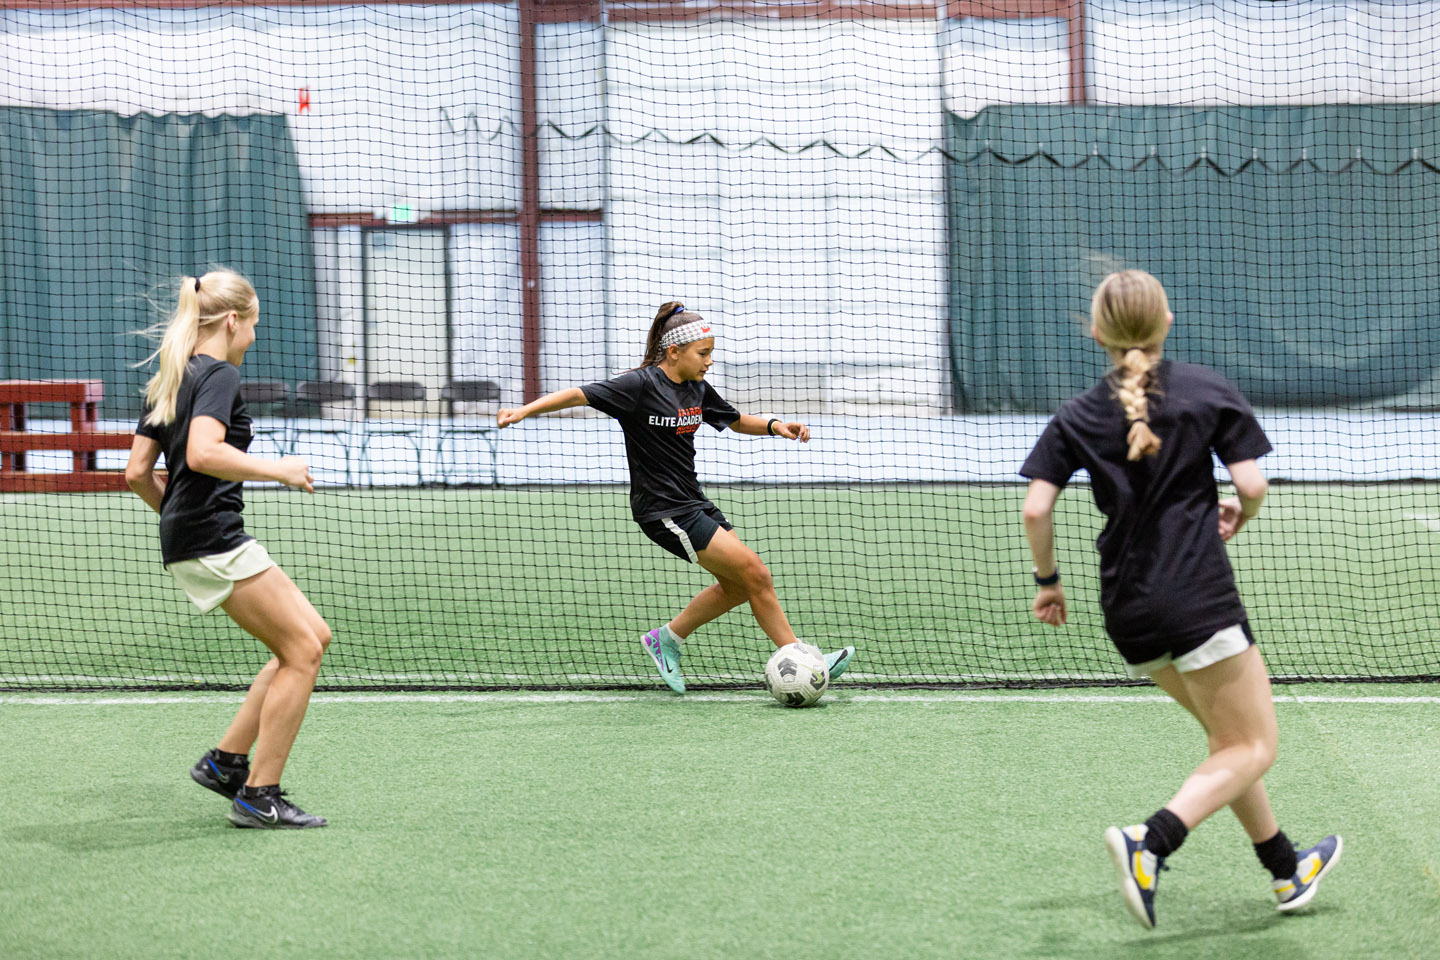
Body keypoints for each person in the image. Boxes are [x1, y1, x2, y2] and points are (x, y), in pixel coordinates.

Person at [1018, 269, 1340, 928]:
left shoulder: (1077, 413)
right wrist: (1236, 517)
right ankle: (1152, 842)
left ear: (1097, 332)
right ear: (1166, 322)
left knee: (1228, 742)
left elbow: (1034, 509)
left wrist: (1048, 583)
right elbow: (1252, 485)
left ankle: (1285, 870)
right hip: (1198, 598)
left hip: (1127, 611)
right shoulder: (1206, 390)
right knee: (1254, 748)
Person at [497, 301, 854, 692]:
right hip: (662, 510)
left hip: (693, 501)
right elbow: (579, 395)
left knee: (740, 585)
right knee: (756, 573)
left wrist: (775, 426)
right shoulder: (640, 386)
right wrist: (524, 410)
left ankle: (665, 639)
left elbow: (734, 421)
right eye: (704, 354)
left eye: (711, 353)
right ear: (674, 351)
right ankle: (802, 658)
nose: (710, 361)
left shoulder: (697, 388)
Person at [125, 269, 331, 829]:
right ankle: (258, 795)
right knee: (302, 654)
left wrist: (178, 519)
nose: (255, 338)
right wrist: (279, 470)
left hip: (196, 535)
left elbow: (137, 474)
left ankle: (225, 763)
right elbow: (204, 452)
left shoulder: (171, 375)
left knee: (313, 635)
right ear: (233, 320)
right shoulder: (218, 374)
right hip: (213, 535)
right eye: (254, 324)